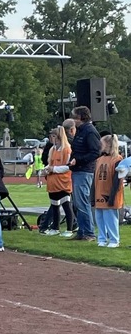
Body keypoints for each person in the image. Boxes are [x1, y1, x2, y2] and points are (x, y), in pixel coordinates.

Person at [69, 106, 101, 241]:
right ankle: (82, 231)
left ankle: (89, 232)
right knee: (78, 202)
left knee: (82, 202)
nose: (72, 119)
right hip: (78, 170)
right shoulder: (82, 131)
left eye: (74, 116)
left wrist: (79, 160)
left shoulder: (90, 132)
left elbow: (95, 152)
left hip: (84, 170)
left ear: (80, 118)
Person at [42, 126, 76, 237]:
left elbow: (68, 166)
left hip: (63, 182)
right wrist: (47, 169)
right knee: (54, 205)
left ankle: (69, 229)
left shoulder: (67, 149)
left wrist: (54, 169)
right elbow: (50, 163)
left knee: (66, 205)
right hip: (53, 182)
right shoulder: (52, 149)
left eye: (53, 136)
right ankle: (55, 227)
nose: (51, 139)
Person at [94, 135, 123, 248]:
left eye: (102, 143)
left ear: (109, 145)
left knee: (110, 217)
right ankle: (102, 238)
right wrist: (92, 195)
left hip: (110, 194)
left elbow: (117, 181)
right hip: (99, 192)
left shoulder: (117, 159)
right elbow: (94, 179)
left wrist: (112, 196)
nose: (100, 146)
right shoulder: (99, 159)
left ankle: (114, 239)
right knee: (99, 217)